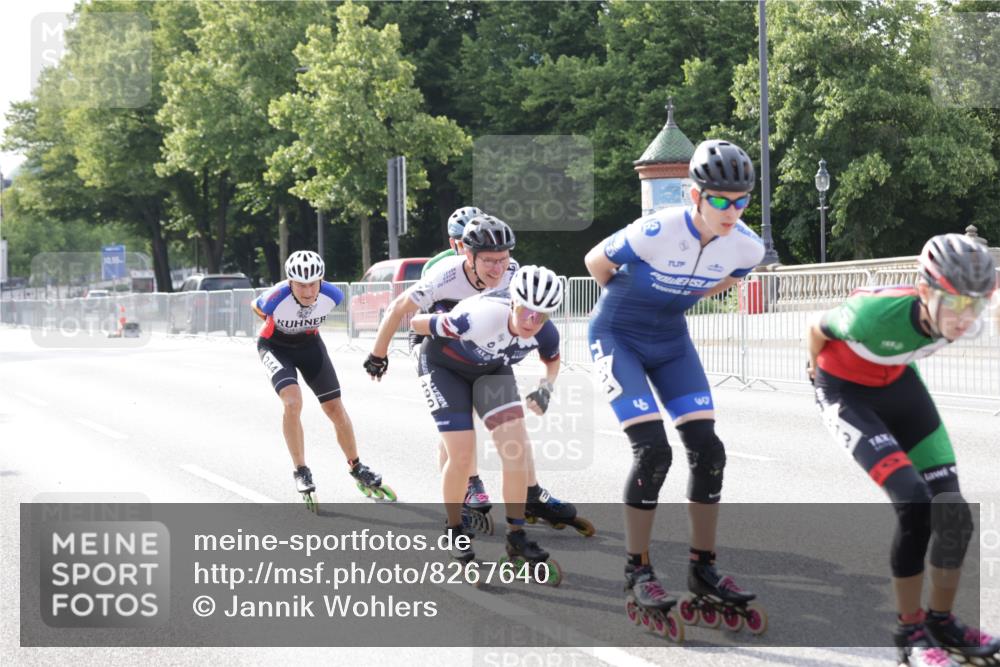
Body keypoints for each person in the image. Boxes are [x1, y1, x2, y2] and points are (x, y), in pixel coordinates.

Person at [584, 139, 767, 635]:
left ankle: (702, 567)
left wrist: (676, 301)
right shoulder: (659, 227)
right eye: (721, 200)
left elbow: (730, 278)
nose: (732, 210)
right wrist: (631, 300)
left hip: (670, 341)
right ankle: (636, 570)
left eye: (742, 200)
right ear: (695, 196)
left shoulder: (747, 245)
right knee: (653, 453)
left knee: (709, 450)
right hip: (618, 335)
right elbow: (594, 262)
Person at [807, 233, 999, 667]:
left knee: (954, 514)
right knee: (915, 505)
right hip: (846, 392)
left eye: (976, 306)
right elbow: (817, 329)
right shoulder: (873, 314)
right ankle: (909, 631)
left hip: (897, 384)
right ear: (926, 291)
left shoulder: (969, 309)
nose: (966, 319)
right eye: (956, 305)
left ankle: (941, 622)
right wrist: (814, 378)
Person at [365, 215, 588, 536]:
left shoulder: (513, 272)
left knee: (514, 431)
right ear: (467, 255)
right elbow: (401, 308)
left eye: (503, 259)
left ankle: (531, 494)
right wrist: (378, 353)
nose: (498, 269)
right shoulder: (445, 274)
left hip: (488, 346)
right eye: (488, 261)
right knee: (460, 421)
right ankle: (467, 486)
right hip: (441, 341)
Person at [408, 264, 565, 582]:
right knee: (462, 454)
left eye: (542, 315)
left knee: (516, 451)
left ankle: (517, 536)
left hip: (491, 370)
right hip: (444, 366)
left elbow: (552, 361)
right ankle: (454, 530)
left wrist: (545, 390)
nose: (532, 322)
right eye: (526, 311)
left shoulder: (545, 332)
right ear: (512, 302)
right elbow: (416, 322)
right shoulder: (477, 316)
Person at [253, 250, 394, 510]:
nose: (307, 291)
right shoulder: (276, 297)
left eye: (312, 284)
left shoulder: (334, 295)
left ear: (322, 280)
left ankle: (357, 466)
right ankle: (301, 470)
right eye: (300, 285)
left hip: (310, 345)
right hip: (275, 346)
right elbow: (256, 307)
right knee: (293, 402)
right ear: (289, 282)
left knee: (335, 408)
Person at [420, 206, 481, 278]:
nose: (471, 250)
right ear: (452, 244)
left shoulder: (495, 259)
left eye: (478, 242)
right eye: (464, 244)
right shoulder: (433, 267)